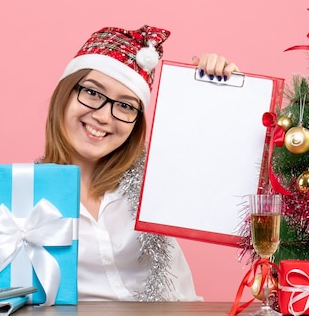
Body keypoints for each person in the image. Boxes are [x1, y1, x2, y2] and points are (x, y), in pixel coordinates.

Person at [41, 25, 239, 301]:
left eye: (125, 105)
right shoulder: (24, 196)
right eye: (93, 93)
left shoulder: (157, 177)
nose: (103, 117)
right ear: (65, 94)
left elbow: (221, 161)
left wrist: (223, 91)